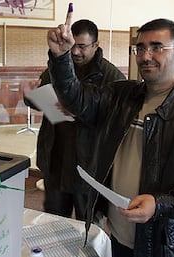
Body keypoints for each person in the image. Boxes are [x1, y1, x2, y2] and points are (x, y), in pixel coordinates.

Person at [47, 14, 174, 257]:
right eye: (140, 48)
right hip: (119, 234)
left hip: (168, 249)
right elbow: (75, 100)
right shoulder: (121, 96)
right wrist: (61, 58)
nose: (146, 56)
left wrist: (161, 204)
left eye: (157, 47)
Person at [25, 19, 125, 221]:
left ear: (96, 45)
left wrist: (81, 110)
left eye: (82, 46)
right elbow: (39, 99)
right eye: (72, 46)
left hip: (89, 167)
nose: (75, 52)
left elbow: (117, 123)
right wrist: (30, 96)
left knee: (89, 226)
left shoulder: (112, 77)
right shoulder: (58, 66)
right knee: (53, 221)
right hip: (56, 159)